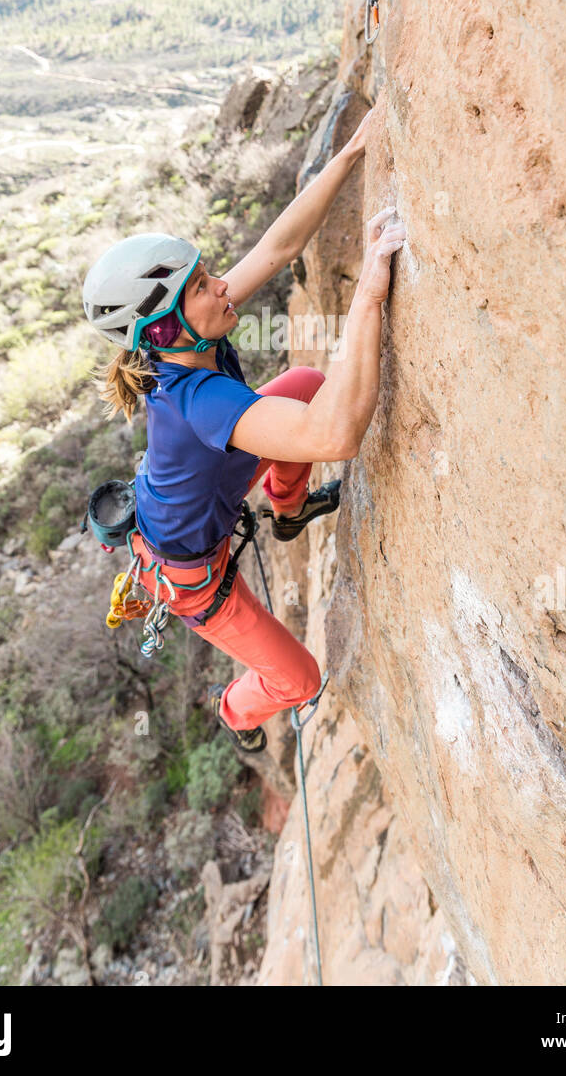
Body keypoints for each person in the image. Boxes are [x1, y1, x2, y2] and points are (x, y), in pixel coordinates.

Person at [82, 104, 406, 752]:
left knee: (306, 383)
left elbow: (279, 247)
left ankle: (288, 510)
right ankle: (235, 711)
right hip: (193, 575)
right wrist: (371, 291)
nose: (220, 287)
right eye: (203, 285)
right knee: (300, 678)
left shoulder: (190, 338)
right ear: (167, 329)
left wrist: (351, 154)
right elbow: (333, 437)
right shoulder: (198, 400)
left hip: (217, 481)